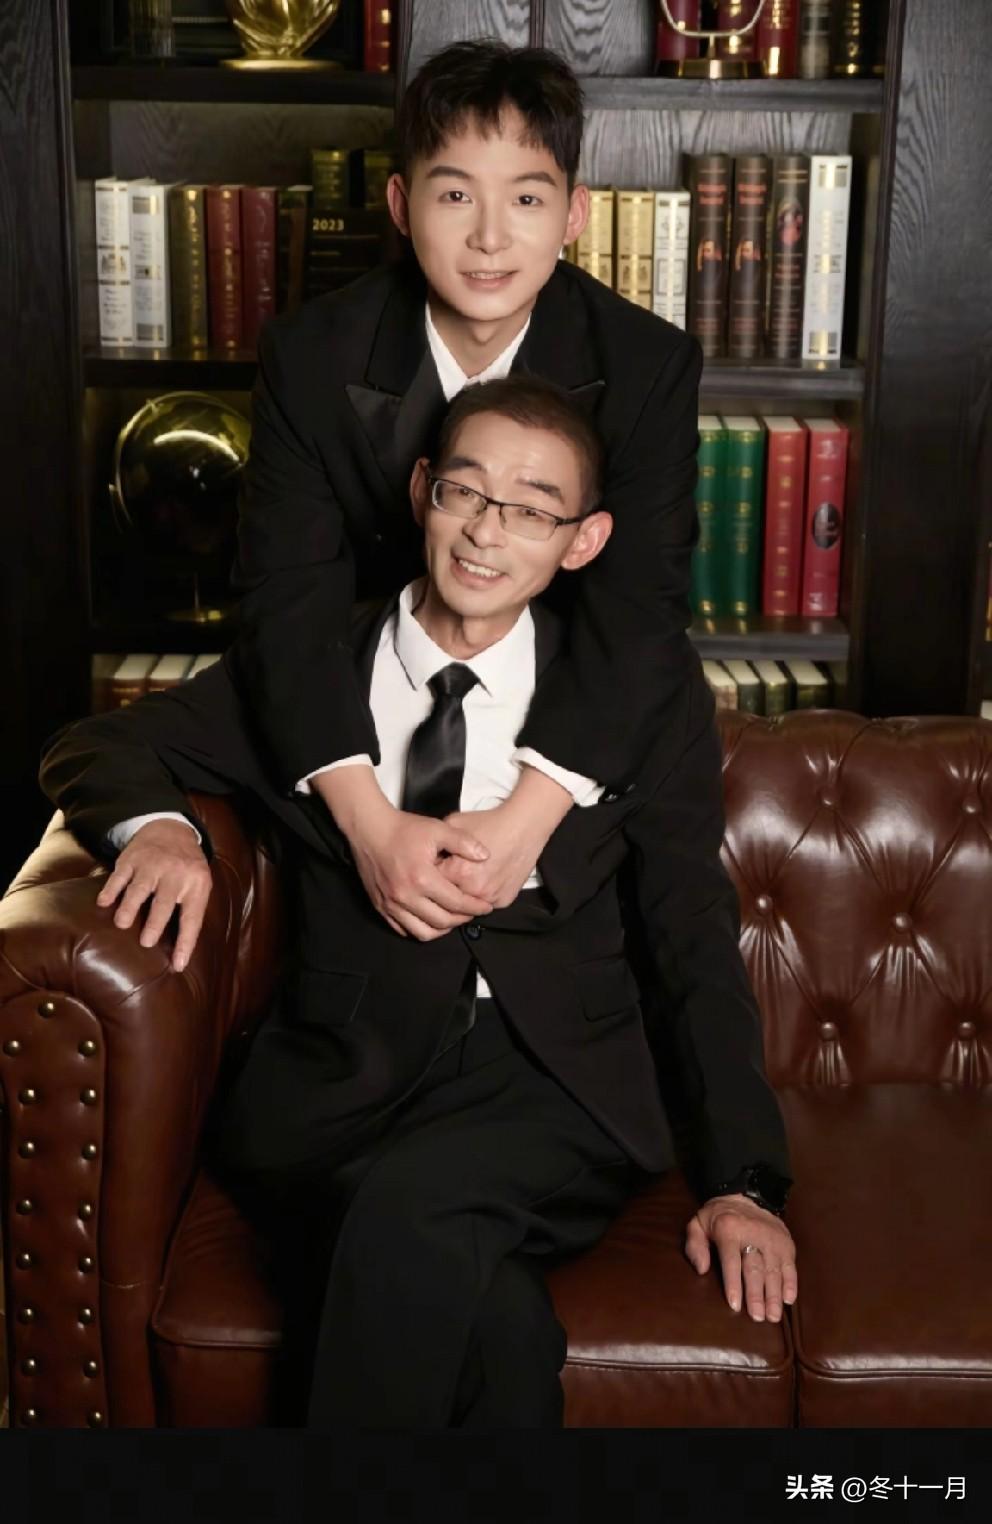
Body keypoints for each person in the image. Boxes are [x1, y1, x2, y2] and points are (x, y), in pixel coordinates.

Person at [40, 378, 796, 1430]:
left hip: (552, 1086)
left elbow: (690, 931)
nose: (487, 532)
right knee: (494, 1327)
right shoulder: (312, 672)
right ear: (420, 493)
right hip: (342, 1080)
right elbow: (95, 745)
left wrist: (743, 1181)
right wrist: (160, 829)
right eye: (465, 493)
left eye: (531, 510)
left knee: (411, 1208)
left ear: (581, 543)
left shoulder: (629, 694)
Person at [228, 39, 704, 949]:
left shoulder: (648, 366)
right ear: (401, 206)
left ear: (574, 214)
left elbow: (640, 609)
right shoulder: (311, 354)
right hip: (368, 716)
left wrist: (526, 819)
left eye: (526, 199)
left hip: (552, 728)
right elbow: (285, 601)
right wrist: (369, 827)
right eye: (454, 196)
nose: (490, 238)